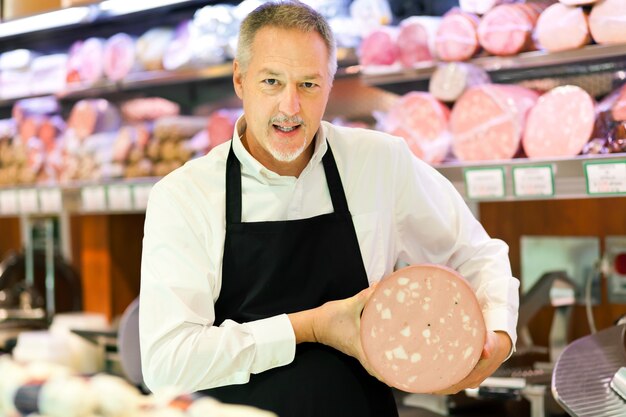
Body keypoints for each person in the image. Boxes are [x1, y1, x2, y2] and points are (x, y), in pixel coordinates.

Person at [139, 1, 519, 416]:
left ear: (330, 85)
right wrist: (312, 327)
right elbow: (167, 364)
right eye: (271, 82)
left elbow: (475, 255)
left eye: (309, 85)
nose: (290, 107)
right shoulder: (184, 196)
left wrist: (498, 336)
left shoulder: (379, 162)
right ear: (239, 80)